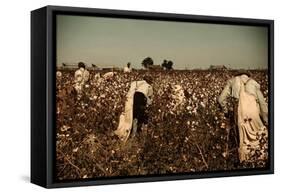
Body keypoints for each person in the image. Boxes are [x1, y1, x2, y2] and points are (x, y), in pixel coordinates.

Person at [218, 71, 268, 162]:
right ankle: (260, 161)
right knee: (260, 136)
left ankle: (245, 163)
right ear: (247, 76)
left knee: (244, 141)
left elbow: (221, 99)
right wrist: (265, 119)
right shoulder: (253, 83)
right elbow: (262, 105)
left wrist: (226, 111)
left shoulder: (232, 82)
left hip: (240, 113)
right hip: (254, 113)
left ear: (237, 75)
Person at [114, 76, 153, 142]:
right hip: (138, 101)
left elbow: (129, 92)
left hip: (129, 101)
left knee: (128, 118)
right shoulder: (148, 86)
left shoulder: (135, 82)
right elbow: (149, 101)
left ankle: (124, 133)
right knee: (137, 118)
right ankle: (135, 135)